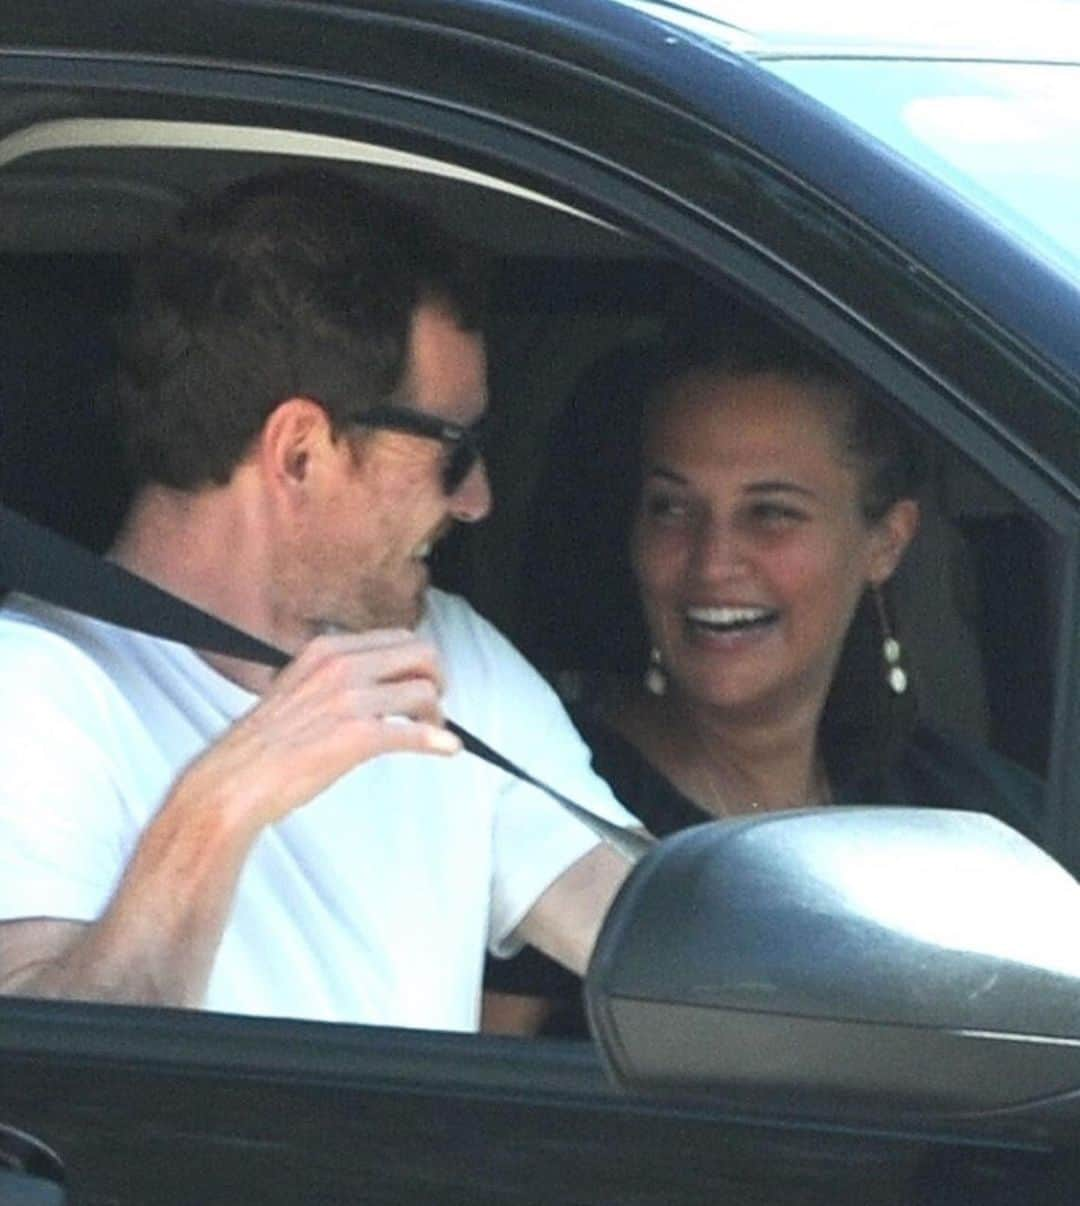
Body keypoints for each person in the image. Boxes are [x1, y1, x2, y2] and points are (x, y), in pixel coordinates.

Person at [0, 168, 640, 1032]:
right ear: (301, 451)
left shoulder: (442, 651)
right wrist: (230, 797)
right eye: (455, 449)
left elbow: (644, 941)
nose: (478, 499)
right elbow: (47, 1088)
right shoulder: (36, 689)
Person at [483, 316, 1043, 1035]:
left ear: (885, 541)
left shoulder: (973, 819)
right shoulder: (544, 815)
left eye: (771, 513)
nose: (713, 560)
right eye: (672, 508)